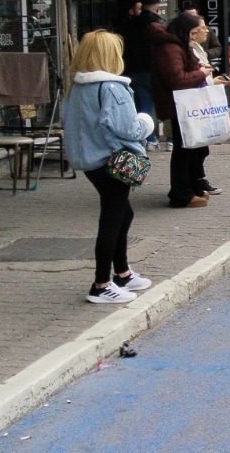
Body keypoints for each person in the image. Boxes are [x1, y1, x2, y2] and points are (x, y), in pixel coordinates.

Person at [64, 30, 156, 304]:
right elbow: (127, 128)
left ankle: (123, 273)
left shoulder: (77, 87)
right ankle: (101, 284)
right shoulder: (112, 87)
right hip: (112, 160)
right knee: (112, 219)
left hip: (90, 160)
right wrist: (146, 122)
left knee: (122, 214)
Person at [153, 13, 228, 207]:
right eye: (197, 30)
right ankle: (181, 193)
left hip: (187, 104)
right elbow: (177, 79)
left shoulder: (179, 46)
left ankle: (192, 188)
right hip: (178, 105)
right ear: (188, 31)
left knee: (194, 149)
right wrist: (201, 73)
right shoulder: (170, 48)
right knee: (184, 149)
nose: (202, 33)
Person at [119, 0, 164, 144]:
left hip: (133, 70)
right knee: (163, 103)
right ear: (157, 7)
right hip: (152, 69)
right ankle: (168, 139)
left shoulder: (130, 24)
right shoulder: (157, 24)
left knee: (143, 106)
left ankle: (147, 139)